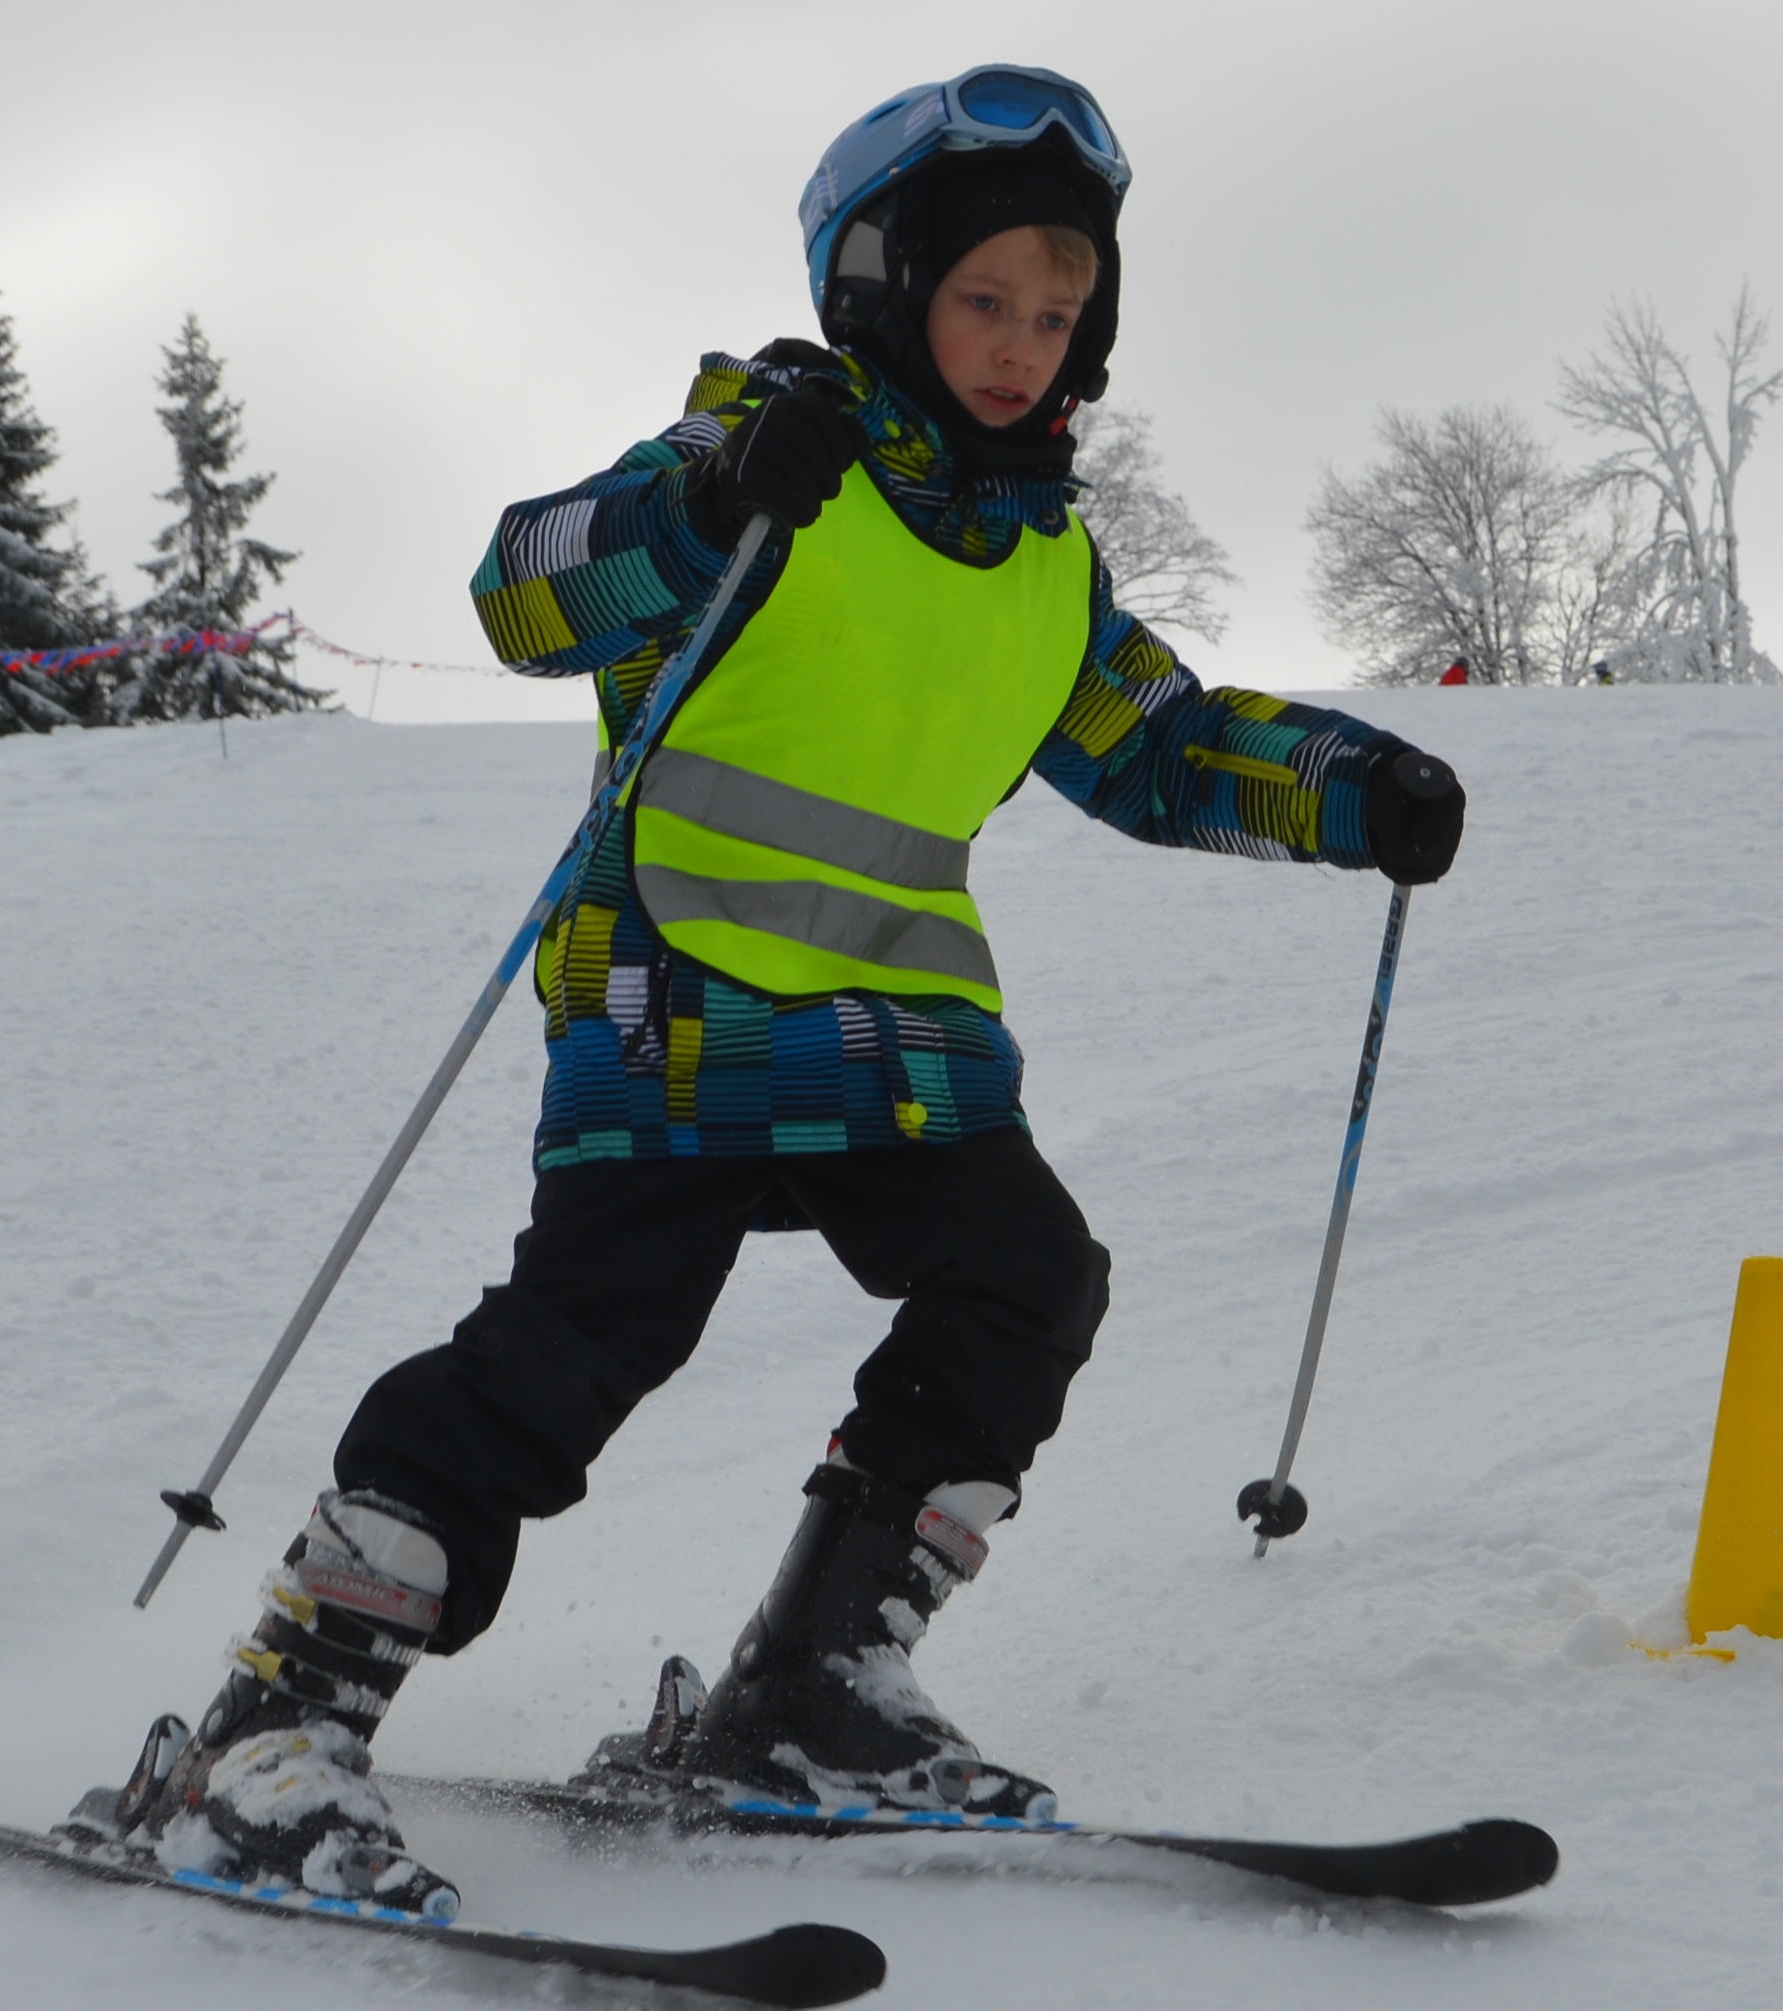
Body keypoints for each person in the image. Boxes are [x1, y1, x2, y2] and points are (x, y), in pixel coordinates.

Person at [81, 65, 1465, 1910]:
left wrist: (1352, 787)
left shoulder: (1044, 561)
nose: (1023, 348)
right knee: (575, 1352)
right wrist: (712, 499)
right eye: (985, 301)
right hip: (681, 1009)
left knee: (1029, 1278)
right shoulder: (759, 455)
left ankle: (810, 1684)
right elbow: (522, 590)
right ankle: (275, 1725)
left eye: (1059, 316)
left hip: (899, 1038)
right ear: (883, 286)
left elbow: (1163, 747)